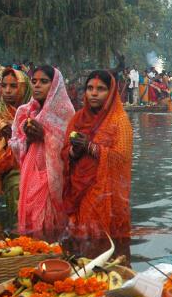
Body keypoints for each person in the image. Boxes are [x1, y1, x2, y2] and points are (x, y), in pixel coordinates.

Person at [62, 70, 133, 247]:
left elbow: (121, 158)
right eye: (90, 88)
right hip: (79, 189)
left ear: (111, 93)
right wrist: (74, 152)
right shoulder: (78, 118)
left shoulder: (119, 120)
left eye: (100, 89)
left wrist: (91, 147)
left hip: (106, 193)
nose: (94, 93)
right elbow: (63, 152)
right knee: (81, 243)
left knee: (106, 244)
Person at [9, 65, 75, 238]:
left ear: (54, 86)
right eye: (34, 81)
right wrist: (29, 139)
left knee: (49, 225)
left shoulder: (65, 112)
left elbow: (70, 148)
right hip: (30, 174)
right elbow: (14, 145)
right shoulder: (24, 112)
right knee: (29, 219)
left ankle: (53, 258)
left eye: (44, 82)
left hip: (52, 176)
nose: (37, 85)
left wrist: (45, 136)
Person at [0, 68, 31, 217]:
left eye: (13, 86)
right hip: (5, 170)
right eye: (4, 86)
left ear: (24, 88)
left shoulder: (34, 113)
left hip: (31, 167)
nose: (7, 90)